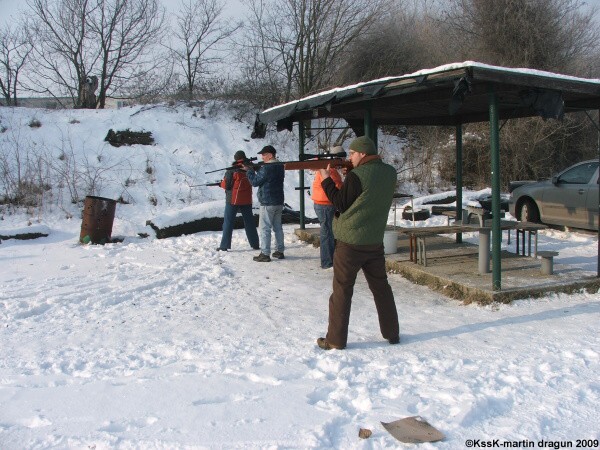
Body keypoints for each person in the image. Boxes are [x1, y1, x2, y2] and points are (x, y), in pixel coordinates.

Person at [315, 136, 400, 350]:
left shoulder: (358, 175)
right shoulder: (389, 172)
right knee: (381, 288)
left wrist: (326, 178)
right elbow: (365, 195)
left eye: (352, 153)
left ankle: (335, 340)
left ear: (362, 153)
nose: (349, 157)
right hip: (373, 240)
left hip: (350, 242)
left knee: (342, 290)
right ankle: (392, 333)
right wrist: (351, 175)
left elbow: (340, 203)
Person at [245, 145, 285, 262]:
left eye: (264, 154)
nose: (262, 157)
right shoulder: (279, 165)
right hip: (278, 201)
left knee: (265, 228)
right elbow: (269, 178)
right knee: (278, 227)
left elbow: (255, 182)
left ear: (270, 155)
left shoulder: (267, 167)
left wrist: (250, 171)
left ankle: (265, 253)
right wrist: (258, 169)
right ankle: (279, 250)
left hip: (268, 201)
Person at [216, 150, 260, 252]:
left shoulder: (232, 169)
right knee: (249, 222)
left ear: (236, 158)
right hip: (247, 200)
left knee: (228, 222)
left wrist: (220, 184)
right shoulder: (251, 167)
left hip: (232, 200)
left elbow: (227, 185)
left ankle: (224, 246)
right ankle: (255, 244)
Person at [311, 147, 343, 269]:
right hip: (325, 204)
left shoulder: (326, 169)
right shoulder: (330, 171)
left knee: (327, 232)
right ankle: (327, 262)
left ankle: (328, 261)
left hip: (323, 203)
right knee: (327, 233)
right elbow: (338, 187)